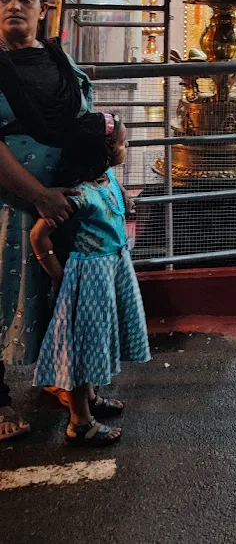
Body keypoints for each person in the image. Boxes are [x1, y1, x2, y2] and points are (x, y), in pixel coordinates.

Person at [0, 0, 93, 443]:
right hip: (12, 204)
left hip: (66, 202)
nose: (14, 6)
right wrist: (36, 194)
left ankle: (62, 379)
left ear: (42, 7)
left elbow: (81, 119)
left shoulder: (59, 58)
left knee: (62, 294)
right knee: (2, 296)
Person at [31, 112, 150, 446]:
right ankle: (80, 422)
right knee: (83, 349)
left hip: (112, 269)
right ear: (106, 151)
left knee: (96, 341)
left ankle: (90, 399)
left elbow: (115, 199)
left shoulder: (107, 179)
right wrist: (59, 275)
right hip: (90, 277)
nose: (127, 148)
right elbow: (39, 237)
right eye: (123, 143)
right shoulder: (77, 195)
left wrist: (122, 196)